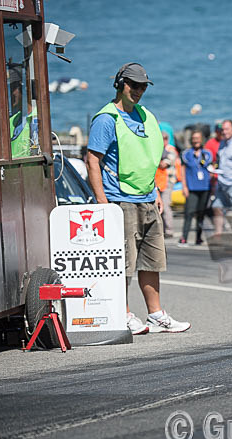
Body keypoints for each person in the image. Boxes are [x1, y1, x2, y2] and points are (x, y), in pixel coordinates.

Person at [86, 62, 190, 334]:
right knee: (123, 263)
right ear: (121, 84)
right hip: (120, 200)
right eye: (134, 85)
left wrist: (155, 190)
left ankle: (156, 315)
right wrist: (103, 203)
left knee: (151, 261)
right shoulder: (107, 119)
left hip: (146, 197)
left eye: (143, 86)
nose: (139, 91)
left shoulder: (145, 116)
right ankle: (123, 313)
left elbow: (146, 158)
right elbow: (92, 161)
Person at [179, 130, 213, 245]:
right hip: (192, 187)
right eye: (194, 138)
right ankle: (184, 237)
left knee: (201, 213)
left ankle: (199, 237)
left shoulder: (207, 154)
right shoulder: (186, 154)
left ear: (202, 140)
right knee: (189, 212)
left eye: (198, 138)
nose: (196, 141)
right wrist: (184, 186)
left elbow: (211, 170)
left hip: (205, 187)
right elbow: (182, 170)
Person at [155, 131, 178, 238]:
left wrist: (155, 161)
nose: (162, 140)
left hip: (167, 181)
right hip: (157, 181)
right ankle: (160, 229)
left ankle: (169, 230)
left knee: (165, 204)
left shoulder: (170, 150)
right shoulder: (157, 148)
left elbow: (165, 164)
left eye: (164, 138)